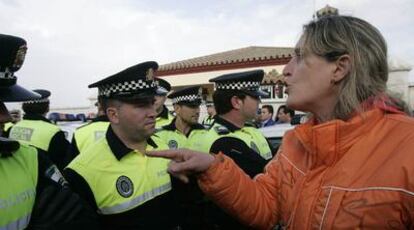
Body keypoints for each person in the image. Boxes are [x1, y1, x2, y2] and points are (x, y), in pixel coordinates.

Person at [147, 15, 414, 229]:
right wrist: (212, 168)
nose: (286, 70)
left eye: (299, 57)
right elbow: (265, 207)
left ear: (339, 68)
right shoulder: (296, 141)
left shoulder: (407, 148)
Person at [63, 61, 181, 229]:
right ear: (113, 114)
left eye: (151, 103)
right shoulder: (82, 173)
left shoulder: (163, 148)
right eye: (141, 105)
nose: (153, 113)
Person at [0, 33, 98, 230]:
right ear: (46, 108)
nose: (6, 116)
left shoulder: (30, 157)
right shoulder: (53, 133)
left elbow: (76, 213)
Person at [186, 70, 273, 230]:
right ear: (236, 102)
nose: (259, 102)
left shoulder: (252, 130)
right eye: (255, 97)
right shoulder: (219, 141)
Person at [8, 89, 72, 170]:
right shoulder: (53, 131)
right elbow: (62, 162)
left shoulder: (12, 128)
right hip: (40, 179)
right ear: (47, 108)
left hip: (15, 172)